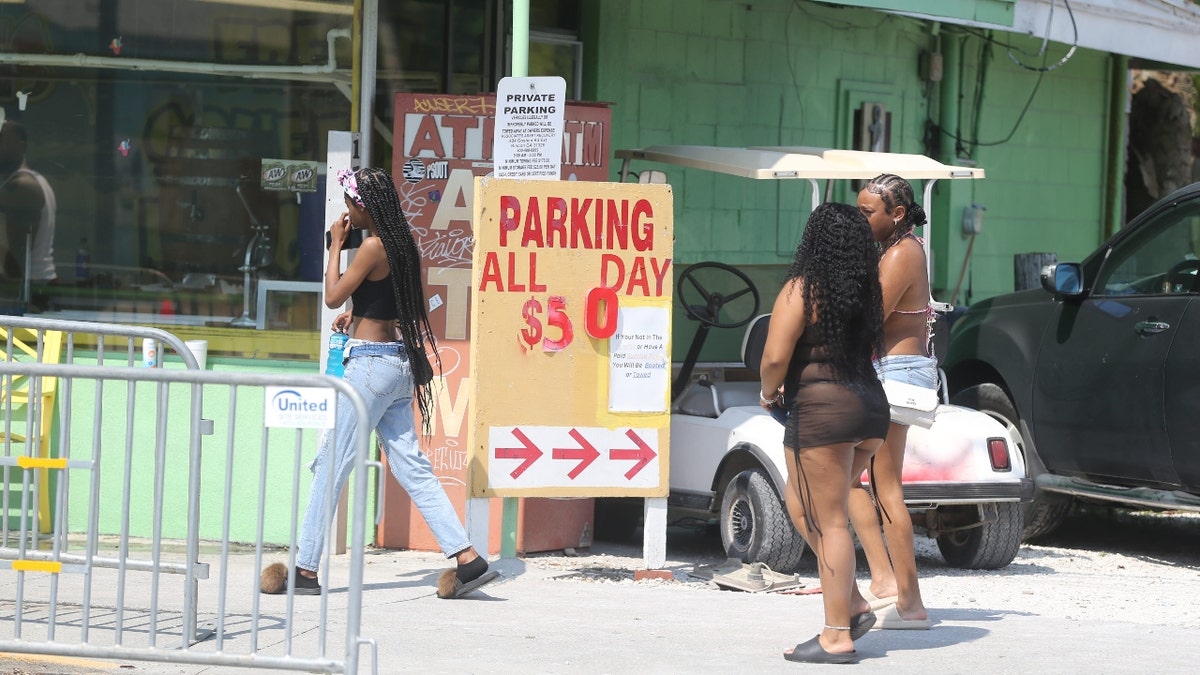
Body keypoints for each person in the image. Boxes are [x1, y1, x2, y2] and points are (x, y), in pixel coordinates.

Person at [260, 167, 496, 599]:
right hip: (398, 364)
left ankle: (307, 570)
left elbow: (331, 295)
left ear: (364, 206)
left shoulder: (369, 246)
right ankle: (466, 558)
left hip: (368, 368)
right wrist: (359, 313)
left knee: (331, 463)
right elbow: (392, 302)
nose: (347, 211)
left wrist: (334, 247)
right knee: (413, 467)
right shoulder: (404, 242)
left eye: (350, 204)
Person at [759, 202, 890, 664]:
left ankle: (837, 635)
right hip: (870, 411)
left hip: (823, 413)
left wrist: (768, 392)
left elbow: (775, 356)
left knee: (827, 519)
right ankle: (851, 601)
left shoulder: (803, 287)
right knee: (801, 504)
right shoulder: (864, 291)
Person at [847, 173, 934, 630]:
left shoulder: (902, 253)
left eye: (867, 214)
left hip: (894, 375)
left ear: (896, 214)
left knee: (886, 488)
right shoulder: (897, 248)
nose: (861, 221)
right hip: (888, 372)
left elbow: (866, 320)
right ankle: (884, 580)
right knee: (845, 478)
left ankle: (911, 602)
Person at [0, 118, 57, 291]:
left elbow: (16, 260)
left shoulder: (22, 187)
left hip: (26, 290)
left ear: (21, 145)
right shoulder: (27, 181)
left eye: (2, 140)